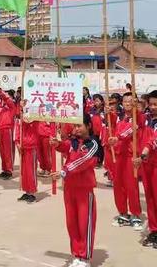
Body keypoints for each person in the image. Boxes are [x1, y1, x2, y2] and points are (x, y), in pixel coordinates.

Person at [50, 114, 99, 267]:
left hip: (84, 190)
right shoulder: (73, 142)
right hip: (69, 188)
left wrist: (64, 171)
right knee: (72, 223)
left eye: (80, 126)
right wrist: (57, 143)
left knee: (84, 223)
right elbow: (65, 147)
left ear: (88, 126)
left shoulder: (93, 144)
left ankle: (85, 257)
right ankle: (77, 254)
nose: (76, 129)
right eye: (75, 126)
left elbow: (82, 161)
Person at [108, 92, 144, 230]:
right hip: (117, 156)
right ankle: (123, 213)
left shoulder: (138, 117)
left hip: (130, 156)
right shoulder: (120, 117)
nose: (127, 103)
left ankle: (135, 214)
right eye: (125, 101)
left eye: (130, 101)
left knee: (131, 186)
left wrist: (117, 138)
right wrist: (108, 113)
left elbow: (131, 130)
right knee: (118, 185)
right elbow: (111, 123)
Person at [133, 89, 157, 248]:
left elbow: (153, 141)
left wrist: (142, 155)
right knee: (150, 199)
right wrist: (135, 107)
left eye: (156, 104)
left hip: (154, 164)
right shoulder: (148, 119)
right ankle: (154, 230)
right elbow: (138, 120)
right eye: (151, 104)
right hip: (147, 165)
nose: (153, 107)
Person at [15, 101, 39, 204]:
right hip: (23, 145)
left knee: (31, 170)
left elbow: (28, 120)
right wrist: (17, 141)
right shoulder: (20, 116)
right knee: (24, 171)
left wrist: (24, 109)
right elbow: (18, 128)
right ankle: (27, 191)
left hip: (31, 146)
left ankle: (32, 192)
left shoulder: (34, 116)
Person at [0, 86, 16, 179]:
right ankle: (5, 169)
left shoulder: (12, 105)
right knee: (2, 151)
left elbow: (6, 98)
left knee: (8, 151)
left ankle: (9, 170)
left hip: (8, 129)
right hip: (1, 129)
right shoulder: (3, 107)